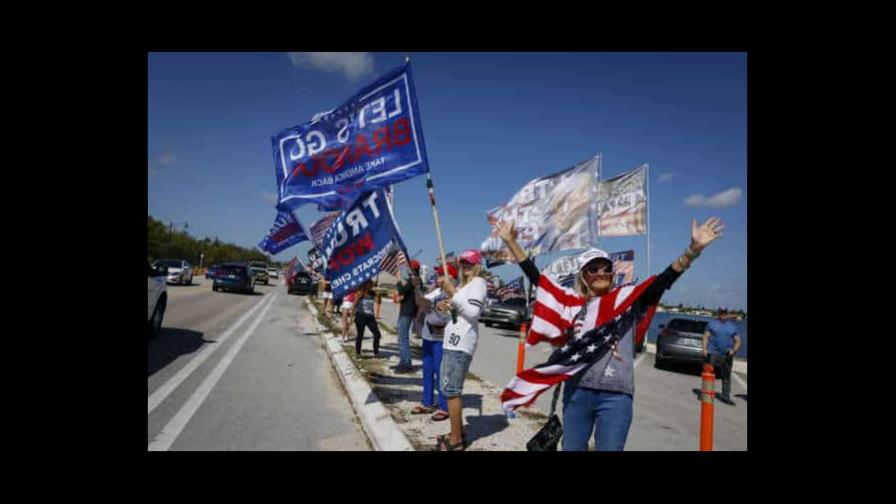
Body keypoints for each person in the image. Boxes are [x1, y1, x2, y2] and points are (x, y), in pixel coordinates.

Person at [495, 217, 724, 451]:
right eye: (594, 269)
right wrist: (511, 241)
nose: (601, 272)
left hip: (616, 396)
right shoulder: (569, 305)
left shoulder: (628, 301)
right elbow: (538, 279)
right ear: (584, 275)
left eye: (607, 268)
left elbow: (662, 281)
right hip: (577, 392)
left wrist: (693, 250)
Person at [434, 250, 488, 451]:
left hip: (461, 344)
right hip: (451, 341)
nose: (464, 266)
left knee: (452, 390)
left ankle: (456, 440)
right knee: (448, 388)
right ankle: (455, 432)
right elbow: (458, 314)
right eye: (462, 263)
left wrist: (452, 295)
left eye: (468, 263)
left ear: (476, 264)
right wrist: (445, 306)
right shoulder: (464, 286)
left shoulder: (479, 283)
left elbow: (473, 312)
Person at [409, 263, 457, 421]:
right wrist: (416, 288)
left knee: (440, 372)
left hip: (442, 340)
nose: (438, 278)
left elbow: (445, 311)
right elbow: (422, 302)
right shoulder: (436, 291)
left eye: (442, 275)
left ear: (451, 277)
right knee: (427, 371)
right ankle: (427, 402)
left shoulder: (455, 293)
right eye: (438, 275)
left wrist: (434, 304)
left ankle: (444, 406)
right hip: (428, 336)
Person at [703, 307, 742, 405]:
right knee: (709, 374)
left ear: (727, 314)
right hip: (712, 352)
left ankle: (726, 396)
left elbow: (738, 341)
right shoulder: (712, 324)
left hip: (726, 354)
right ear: (718, 314)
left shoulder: (732, 326)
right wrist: (704, 349)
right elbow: (705, 337)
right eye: (721, 313)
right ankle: (706, 394)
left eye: (724, 313)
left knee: (726, 376)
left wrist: (734, 350)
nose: (723, 315)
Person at [393, 259, 421, 374]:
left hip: (407, 312)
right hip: (405, 310)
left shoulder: (415, 279)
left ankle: (406, 363)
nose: (407, 269)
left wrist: (398, 280)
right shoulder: (414, 279)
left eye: (408, 267)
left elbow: (402, 290)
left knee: (403, 337)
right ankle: (403, 360)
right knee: (401, 337)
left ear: (412, 269)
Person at [351, 281, 382, 358]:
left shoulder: (373, 293)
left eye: (371, 284)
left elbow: (378, 302)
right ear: (365, 285)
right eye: (369, 284)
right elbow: (354, 305)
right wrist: (351, 317)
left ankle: (376, 352)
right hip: (360, 316)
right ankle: (358, 353)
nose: (371, 285)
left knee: (377, 334)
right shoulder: (360, 294)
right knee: (360, 335)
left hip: (370, 317)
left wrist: (379, 296)